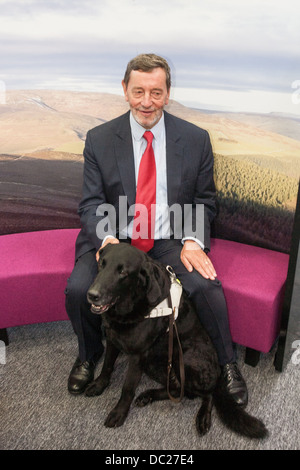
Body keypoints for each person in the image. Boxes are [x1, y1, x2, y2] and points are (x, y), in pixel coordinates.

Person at [65, 53, 248, 407]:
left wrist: (193, 240)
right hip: (116, 238)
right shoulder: (100, 139)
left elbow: (204, 200)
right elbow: (90, 203)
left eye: (156, 92)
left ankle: (227, 365)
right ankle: (89, 354)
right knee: (77, 289)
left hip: (167, 239)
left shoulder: (195, 139)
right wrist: (107, 240)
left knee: (204, 286)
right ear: (124, 90)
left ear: (167, 92)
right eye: (138, 91)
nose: (146, 102)